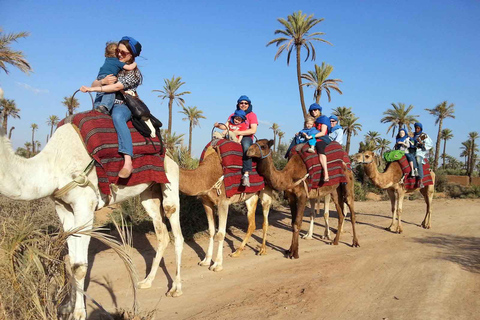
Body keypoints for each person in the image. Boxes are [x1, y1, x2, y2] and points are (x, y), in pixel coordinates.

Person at [80, 36, 143, 179]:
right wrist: (102, 81)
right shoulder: (112, 65)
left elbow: (116, 87)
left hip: (123, 105)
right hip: (105, 102)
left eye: (123, 53)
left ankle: (128, 162)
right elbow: (96, 83)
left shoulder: (134, 73)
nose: (119, 54)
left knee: (118, 117)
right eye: (118, 51)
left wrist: (92, 89)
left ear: (132, 55)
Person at [93, 42, 137, 113]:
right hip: (107, 77)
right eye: (120, 52)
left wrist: (101, 81)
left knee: (100, 93)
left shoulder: (107, 60)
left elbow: (94, 86)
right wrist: (134, 64)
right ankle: (105, 106)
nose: (120, 54)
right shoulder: (117, 62)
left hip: (100, 75)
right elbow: (129, 67)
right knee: (110, 91)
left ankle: (96, 107)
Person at [227, 95, 258, 187]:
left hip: (246, 137)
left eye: (246, 103)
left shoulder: (252, 115)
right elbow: (227, 125)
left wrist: (239, 132)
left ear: (249, 104)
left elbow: (253, 130)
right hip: (232, 135)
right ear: (238, 104)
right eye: (241, 103)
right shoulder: (233, 115)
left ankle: (246, 174)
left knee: (246, 147)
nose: (243, 105)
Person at [312, 106, 332, 181]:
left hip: (322, 139)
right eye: (312, 111)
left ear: (319, 110)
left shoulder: (324, 119)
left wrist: (312, 136)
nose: (313, 112)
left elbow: (323, 132)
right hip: (313, 138)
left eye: (315, 110)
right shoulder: (312, 121)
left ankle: (326, 173)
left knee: (320, 149)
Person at [412, 122, 433, 188]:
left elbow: (429, 144)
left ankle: (420, 180)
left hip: (420, 152)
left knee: (418, 160)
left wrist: (421, 145)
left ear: (420, 129)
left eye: (418, 128)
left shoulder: (424, 135)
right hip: (411, 151)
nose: (416, 129)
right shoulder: (412, 135)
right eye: (416, 128)